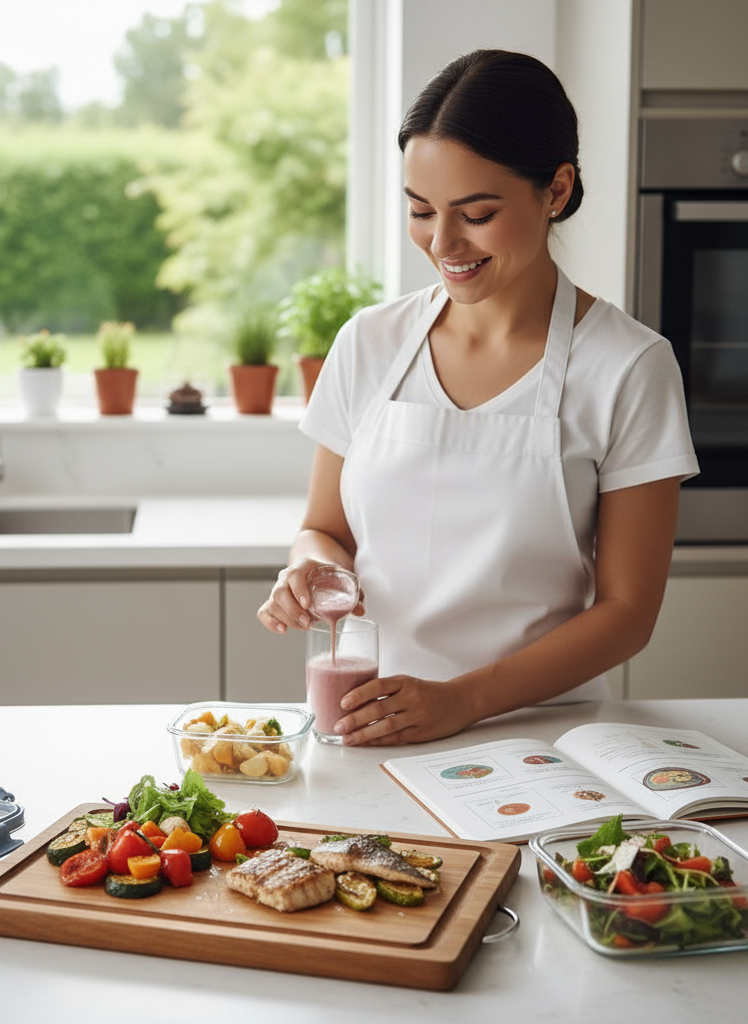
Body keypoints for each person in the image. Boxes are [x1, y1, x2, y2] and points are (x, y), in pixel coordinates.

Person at [258, 49, 699, 746]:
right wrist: (310, 567)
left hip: (546, 739)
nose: (443, 242)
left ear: (555, 189)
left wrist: (464, 700)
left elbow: (627, 613)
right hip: (370, 723)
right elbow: (326, 529)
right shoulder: (369, 341)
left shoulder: (629, 366)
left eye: (477, 212)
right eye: (421, 210)